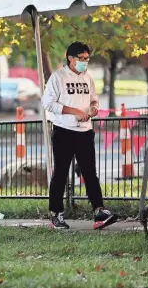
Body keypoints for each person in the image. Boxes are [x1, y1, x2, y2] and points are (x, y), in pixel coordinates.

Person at [41, 42, 118, 230]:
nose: (84, 62)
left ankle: (99, 211)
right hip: (63, 130)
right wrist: (72, 111)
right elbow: (48, 103)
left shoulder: (88, 77)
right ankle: (56, 214)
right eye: (81, 59)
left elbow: (94, 99)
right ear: (70, 58)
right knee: (60, 174)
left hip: (85, 131)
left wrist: (93, 108)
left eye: (87, 59)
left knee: (90, 173)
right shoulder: (57, 77)